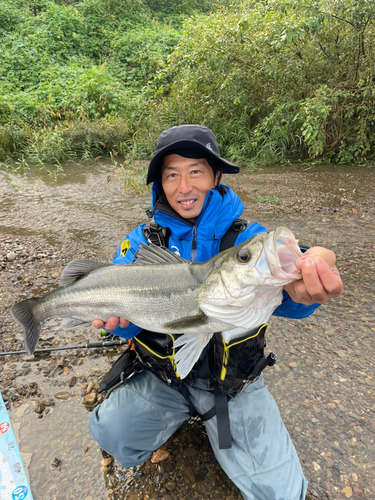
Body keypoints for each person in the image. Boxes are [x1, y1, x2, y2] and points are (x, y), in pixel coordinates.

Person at [89, 125, 343, 500]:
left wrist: (306, 287)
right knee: (113, 432)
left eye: (196, 171)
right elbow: (120, 322)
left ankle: (215, 424)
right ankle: (174, 421)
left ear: (216, 176)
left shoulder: (248, 238)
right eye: (171, 175)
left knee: (283, 494)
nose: (184, 186)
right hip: (166, 379)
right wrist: (119, 327)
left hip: (233, 387)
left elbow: (286, 295)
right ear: (160, 184)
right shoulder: (140, 244)